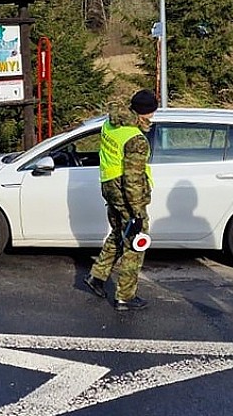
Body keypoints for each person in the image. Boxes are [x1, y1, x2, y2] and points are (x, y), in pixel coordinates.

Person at [84, 89, 158, 311]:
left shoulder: (111, 124)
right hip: (126, 195)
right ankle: (125, 297)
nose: (152, 119)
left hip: (108, 187)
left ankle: (97, 277)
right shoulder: (135, 139)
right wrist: (137, 211)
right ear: (145, 114)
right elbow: (133, 180)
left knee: (118, 233)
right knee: (135, 242)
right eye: (151, 114)